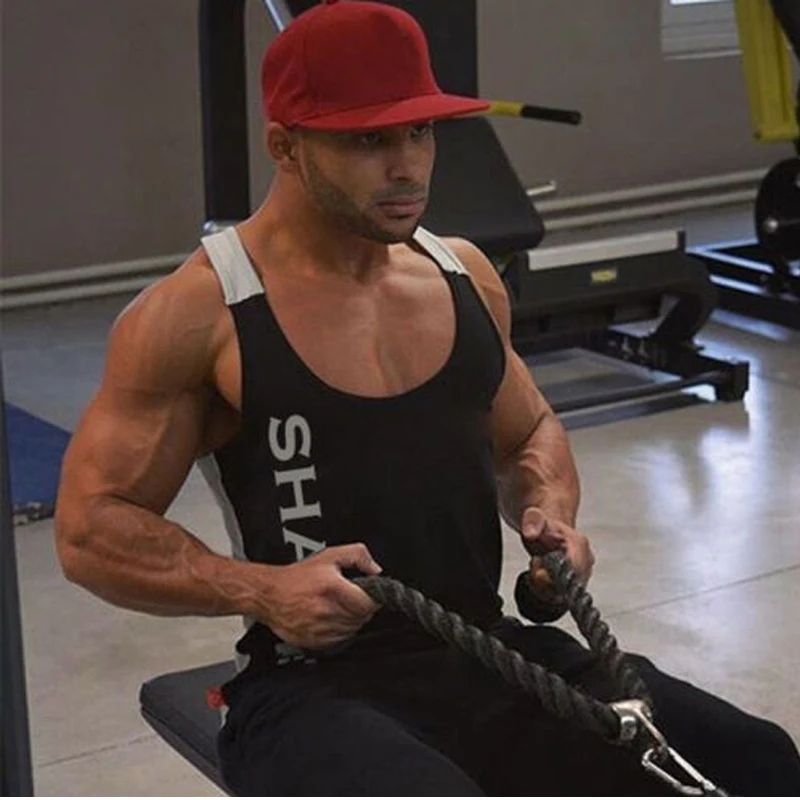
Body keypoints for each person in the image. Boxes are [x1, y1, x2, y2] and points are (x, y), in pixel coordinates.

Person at [55, 0, 800, 795]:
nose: (408, 166)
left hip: (486, 651)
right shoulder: (202, 312)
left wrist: (551, 521)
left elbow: (528, 433)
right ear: (285, 146)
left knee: (759, 759)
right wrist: (261, 589)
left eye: (419, 132)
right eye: (368, 140)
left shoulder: (463, 275)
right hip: (311, 689)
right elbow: (91, 530)